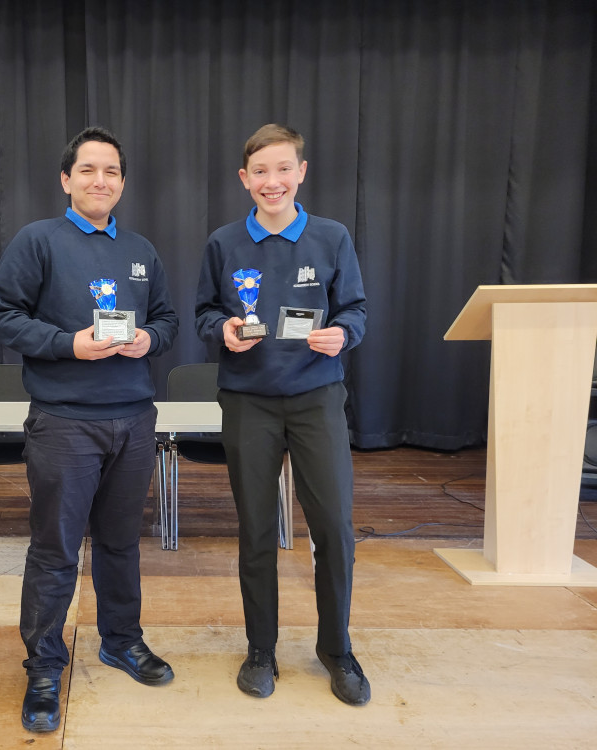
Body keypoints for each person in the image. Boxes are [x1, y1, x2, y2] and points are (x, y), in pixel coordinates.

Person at [0, 126, 179, 733]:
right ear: (66, 180)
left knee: (122, 545)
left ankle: (121, 639)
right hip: (64, 422)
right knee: (55, 551)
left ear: (123, 182)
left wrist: (151, 338)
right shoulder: (37, 241)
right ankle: (44, 664)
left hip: (133, 417)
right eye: (89, 170)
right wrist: (68, 344)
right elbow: (0, 315)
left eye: (112, 172)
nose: (102, 181)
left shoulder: (143, 250)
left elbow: (169, 320)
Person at [194, 124, 370, 706]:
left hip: (318, 397)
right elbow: (203, 314)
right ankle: (261, 648)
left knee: (334, 529)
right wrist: (220, 330)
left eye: (283, 169)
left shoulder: (331, 236)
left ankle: (337, 648)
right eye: (260, 172)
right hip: (248, 400)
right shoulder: (223, 242)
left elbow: (357, 310)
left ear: (302, 172)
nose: (273, 182)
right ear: (245, 180)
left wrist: (342, 334)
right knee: (257, 531)